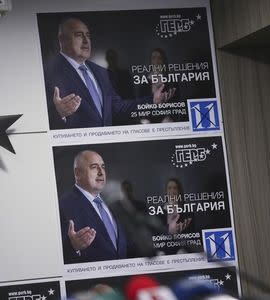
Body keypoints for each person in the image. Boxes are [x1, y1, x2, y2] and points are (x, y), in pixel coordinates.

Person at [44, 17, 175, 129]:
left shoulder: (101, 72)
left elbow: (117, 108)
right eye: (79, 35)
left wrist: (152, 99)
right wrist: (59, 113)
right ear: (62, 40)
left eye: (88, 35)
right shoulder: (48, 71)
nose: (86, 40)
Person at [59, 150, 128, 263]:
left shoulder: (112, 203)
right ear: (77, 173)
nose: (101, 172)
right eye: (94, 167)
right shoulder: (63, 206)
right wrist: (74, 248)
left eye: (103, 167)